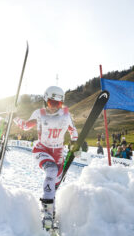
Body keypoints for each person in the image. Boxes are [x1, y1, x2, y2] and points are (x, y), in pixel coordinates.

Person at [13, 86, 78, 231]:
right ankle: (47, 212)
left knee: (55, 184)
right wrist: (15, 117)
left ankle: (51, 213)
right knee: (51, 171)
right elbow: (25, 126)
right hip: (42, 149)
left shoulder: (66, 114)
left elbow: (74, 132)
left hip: (58, 155)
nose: (54, 107)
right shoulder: (39, 113)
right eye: (51, 103)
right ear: (45, 101)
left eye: (58, 104)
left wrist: (77, 142)